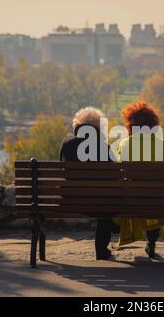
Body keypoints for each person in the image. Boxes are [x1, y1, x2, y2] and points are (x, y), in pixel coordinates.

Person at [116, 101, 164, 258]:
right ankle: (152, 242)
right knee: (157, 197)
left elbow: (120, 174)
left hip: (132, 200)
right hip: (161, 201)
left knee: (142, 197)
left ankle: (146, 240)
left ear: (130, 125)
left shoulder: (125, 145)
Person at [59, 107, 119, 260]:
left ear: (77, 125)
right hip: (99, 202)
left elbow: (62, 173)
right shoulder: (103, 147)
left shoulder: (67, 144)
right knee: (105, 209)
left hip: (70, 201)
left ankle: (113, 225)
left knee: (104, 207)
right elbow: (116, 177)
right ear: (98, 127)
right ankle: (101, 250)